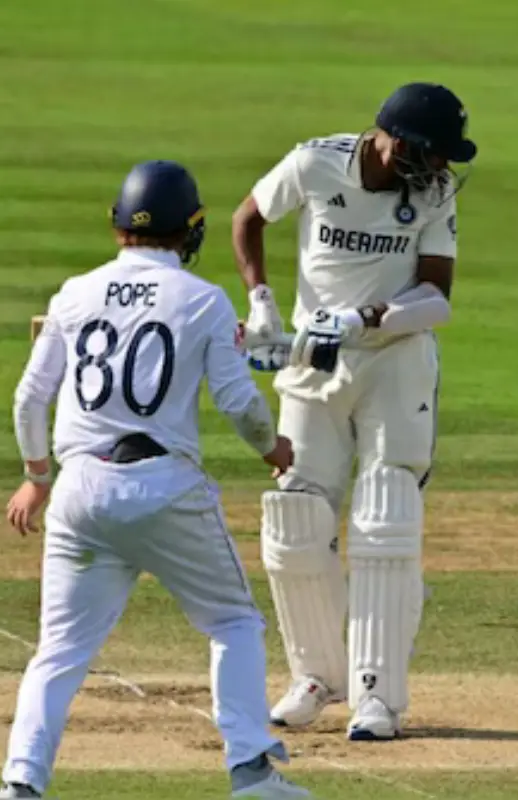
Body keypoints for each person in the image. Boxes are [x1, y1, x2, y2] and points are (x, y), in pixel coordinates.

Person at [1, 161, 309, 798]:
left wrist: (36, 477)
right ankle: (251, 773)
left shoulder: (74, 293)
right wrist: (272, 446)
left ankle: (20, 784)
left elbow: (30, 399)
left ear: (119, 228)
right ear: (189, 231)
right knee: (233, 623)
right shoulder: (201, 299)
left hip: (80, 491)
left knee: (57, 654)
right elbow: (237, 401)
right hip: (165, 488)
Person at [231, 82, 476, 740]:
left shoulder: (433, 193)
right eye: (430, 155)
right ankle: (317, 677)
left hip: (394, 359)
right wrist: (259, 300)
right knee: (294, 517)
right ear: (391, 140)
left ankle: (377, 696)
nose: (439, 169)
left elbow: (438, 297)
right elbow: (248, 216)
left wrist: (364, 315)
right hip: (315, 358)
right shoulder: (315, 163)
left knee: (385, 516)